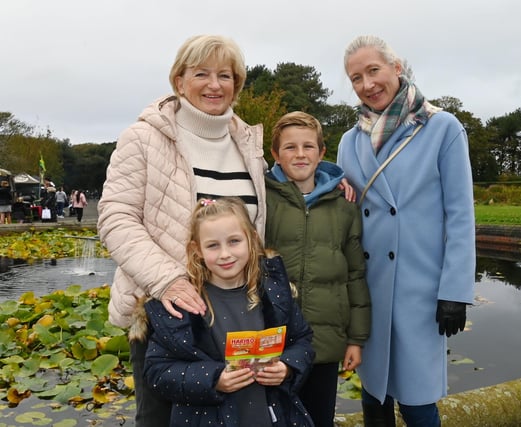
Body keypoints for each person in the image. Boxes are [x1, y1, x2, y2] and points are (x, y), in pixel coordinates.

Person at [97, 34, 267, 427]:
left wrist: (331, 179)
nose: (214, 84)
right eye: (201, 73)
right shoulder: (144, 137)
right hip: (166, 314)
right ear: (179, 80)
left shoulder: (247, 143)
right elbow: (115, 217)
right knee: (160, 419)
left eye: (225, 75)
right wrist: (168, 280)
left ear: (237, 84)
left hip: (235, 314)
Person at [337, 35, 476, 427]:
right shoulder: (349, 141)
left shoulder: (441, 127)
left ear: (396, 68)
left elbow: (460, 216)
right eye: (356, 78)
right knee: (373, 395)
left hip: (420, 289)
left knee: (417, 401)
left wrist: (455, 292)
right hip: (368, 289)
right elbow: (347, 217)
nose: (367, 84)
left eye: (374, 71)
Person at [135, 197, 314, 426]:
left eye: (234, 241)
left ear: (252, 240)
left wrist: (287, 367)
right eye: (213, 245)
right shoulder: (183, 306)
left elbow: (302, 341)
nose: (225, 254)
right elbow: (157, 371)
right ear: (196, 249)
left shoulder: (273, 293)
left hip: (270, 417)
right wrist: (212, 380)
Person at [264, 111, 371, 427]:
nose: (300, 155)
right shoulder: (264, 199)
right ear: (275, 155)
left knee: (318, 419)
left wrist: (356, 339)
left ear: (322, 153)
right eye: (290, 147)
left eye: (308, 146)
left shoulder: (344, 205)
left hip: (323, 344)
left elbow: (355, 274)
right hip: (273, 340)